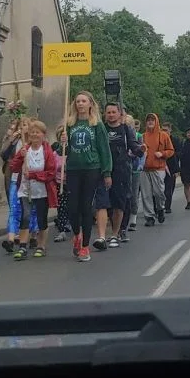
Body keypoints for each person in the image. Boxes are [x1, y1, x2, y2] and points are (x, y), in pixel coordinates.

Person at [58, 91, 113, 261]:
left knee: (86, 206)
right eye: (78, 101)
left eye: (84, 101)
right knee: (73, 207)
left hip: (92, 168)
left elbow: (104, 149)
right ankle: (77, 234)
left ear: (90, 104)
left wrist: (107, 172)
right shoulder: (69, 124)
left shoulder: (96, 124)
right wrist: (63, 141)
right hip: (74, 168)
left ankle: (85, 246)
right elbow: (62, 150)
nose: (80, 104)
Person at [8, 120, 59, 259]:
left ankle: (41, 246)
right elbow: (13, 167)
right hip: (25, 189)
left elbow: (51, 172)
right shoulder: (25, 149)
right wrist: (20, 158)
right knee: (25, 216)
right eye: (32, 132)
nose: (34, 135)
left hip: (41, 191)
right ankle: (23, 247)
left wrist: (34, 175)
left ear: (43, 135)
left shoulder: (47, 151)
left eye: (37, 132)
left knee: (41, 219)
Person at [104, 103, 142, 245]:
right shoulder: (101, 129)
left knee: (119, 202)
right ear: (105, 114)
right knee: (104, 204)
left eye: (114, 112)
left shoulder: (126, 129)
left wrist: (140, 150)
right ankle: (111, 231)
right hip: (104, 169)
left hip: (121, 169)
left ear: (119, 114)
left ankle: (116, 232)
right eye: (109, 112)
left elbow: (134, 146)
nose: (111, 114)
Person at [0, 117, 30, 255]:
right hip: (14, 178)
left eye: (26, 125)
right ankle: (11, 239)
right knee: (13, 209)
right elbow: (4, 155)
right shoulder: (16, 141)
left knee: (27, 211)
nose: (23, 128)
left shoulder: (34, 142)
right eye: (21, 125)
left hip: (29, 181)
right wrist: (12, 140)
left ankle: (31, 234)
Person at [138, 113, 175, 226]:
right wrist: (140, 150)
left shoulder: (163, 135)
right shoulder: (142, 136)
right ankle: (149, 217)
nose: (150, 122)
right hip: (145, 169)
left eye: (152, 120)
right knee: (146, 194)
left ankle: (160, 208)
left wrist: (162, 153)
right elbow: (137, 150)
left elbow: (171, 150)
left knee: (159, 192)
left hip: (158, 168)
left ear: (156, 122)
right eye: (148, 120)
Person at [162, 123, 181, 213]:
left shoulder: (176, 141)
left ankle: (167, 206)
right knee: (160, 188)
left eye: (166, 130)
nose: (164, 132)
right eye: (163, 130)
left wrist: (177, 169)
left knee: (169, 188)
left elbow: (179, 154)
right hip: (160, 166)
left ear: (170, 130)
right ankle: (160, 205)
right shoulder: (160, 139)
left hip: (172, 166)